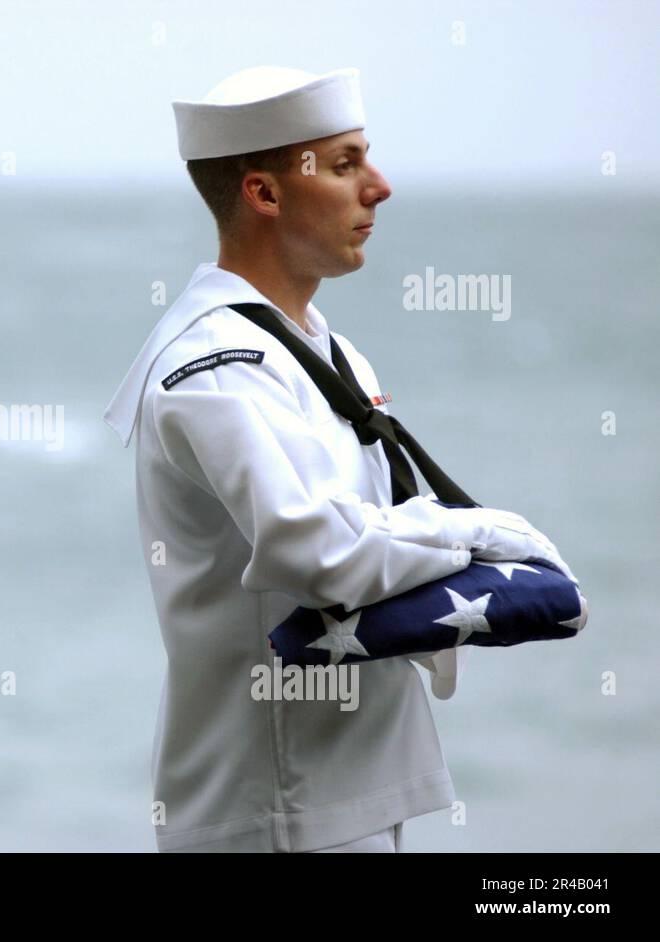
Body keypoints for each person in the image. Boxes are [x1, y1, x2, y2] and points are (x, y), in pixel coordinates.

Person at [102, 68, 576, 853]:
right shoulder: (218, 363)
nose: (379, 187)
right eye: (348, 163)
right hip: (278, 804)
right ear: (264, 193)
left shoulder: (327, 353)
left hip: (337, 791)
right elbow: (310, 546)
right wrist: (481, 536)